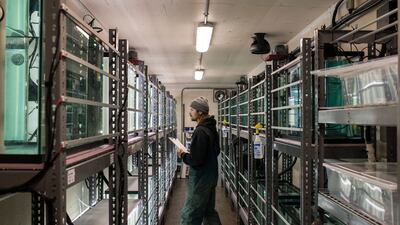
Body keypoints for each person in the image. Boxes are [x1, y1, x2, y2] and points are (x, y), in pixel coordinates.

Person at [177, 96, 222, 225]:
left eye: (192, 109)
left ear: (200, 112)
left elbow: (196, 160)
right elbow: (216, 151)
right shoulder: (211, 128)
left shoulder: (201, 131)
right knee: (208, 212)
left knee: (190, 214)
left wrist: (183, 155)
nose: (189, 112)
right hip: (211, 176)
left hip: (200, 179)